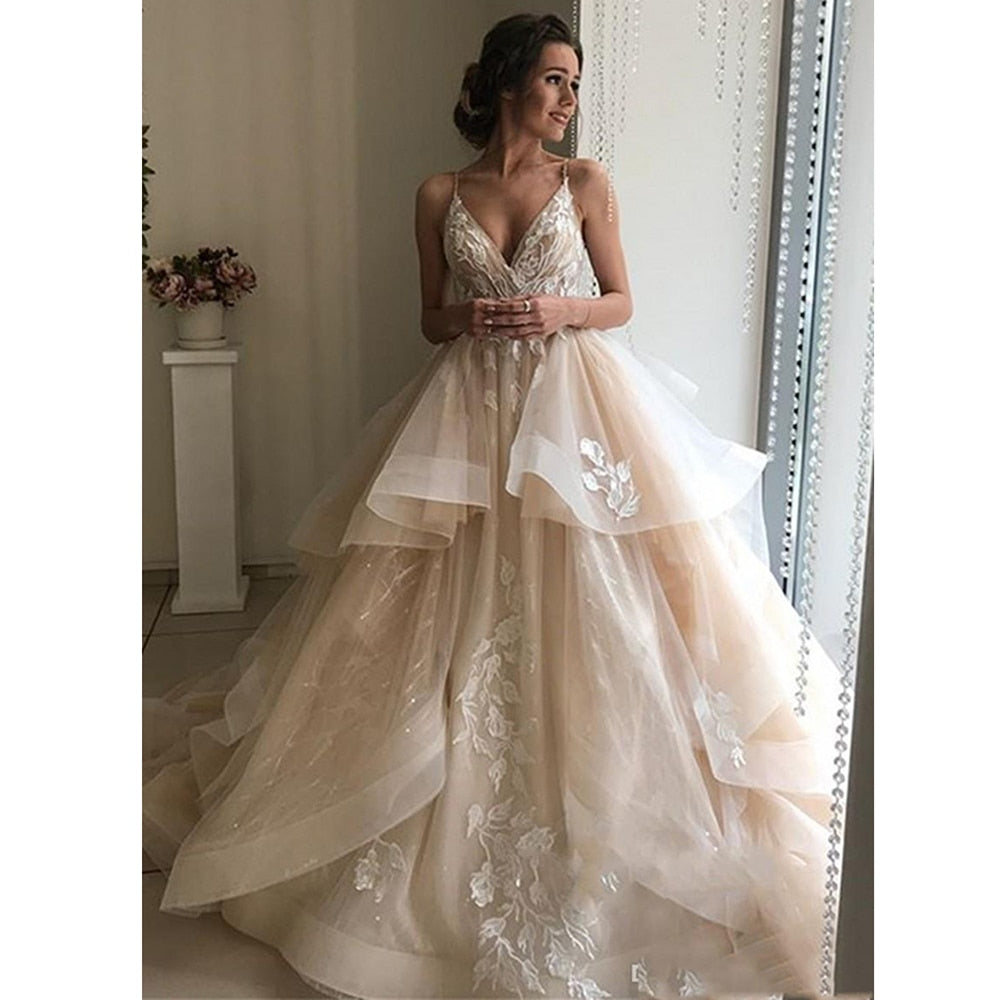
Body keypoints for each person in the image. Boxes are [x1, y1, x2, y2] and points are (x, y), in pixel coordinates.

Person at [143, 13, 839, 1000]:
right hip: (468, 411)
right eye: (554, 79)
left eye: (575, 83)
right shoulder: (439, 192)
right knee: (425, 610)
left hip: (574, 406)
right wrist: (468, 315)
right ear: (509, 80)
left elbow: (620, 300)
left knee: (613, 605)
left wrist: (559, 310)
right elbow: (430, 318)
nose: (567, 99)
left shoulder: (585, 182)